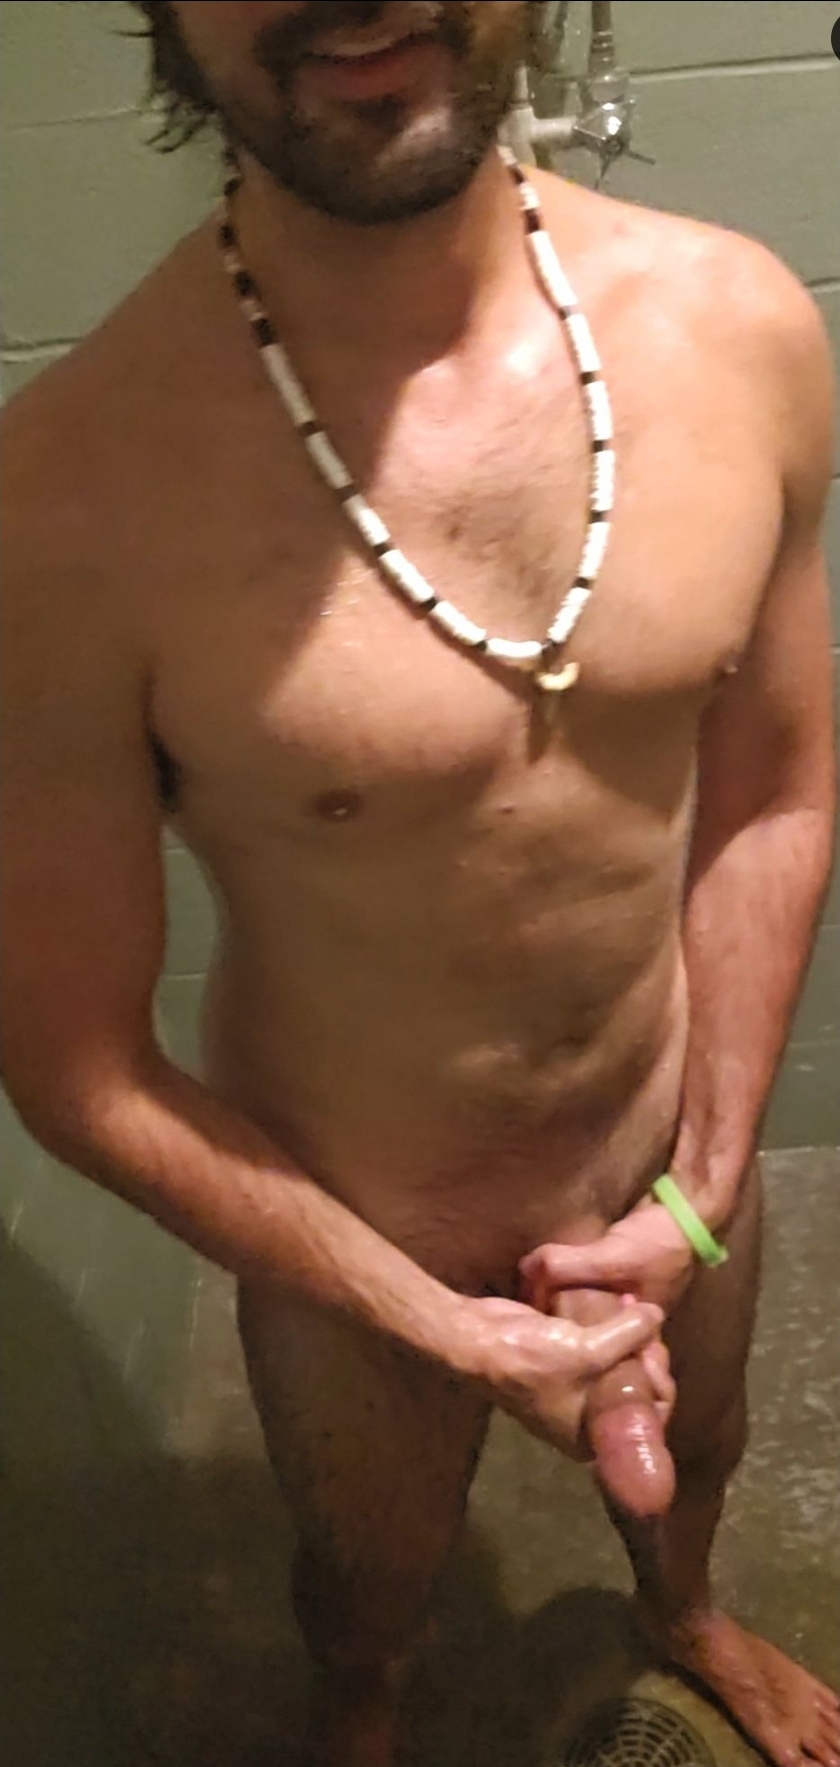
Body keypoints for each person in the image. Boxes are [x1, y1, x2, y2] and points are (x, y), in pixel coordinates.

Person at [1, 3, 837, 1763]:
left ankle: (681, 1614)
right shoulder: (65, 498)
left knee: (702, 1455)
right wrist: (438, 1326)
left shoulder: (741, 327)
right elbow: (75, 1065)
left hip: (669, 1151)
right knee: (366, 1586)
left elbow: (776, 792)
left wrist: (702, 1178)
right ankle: (363, 1709)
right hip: (356, 1229)